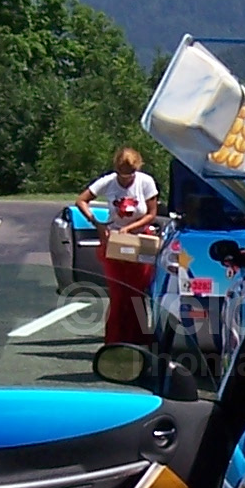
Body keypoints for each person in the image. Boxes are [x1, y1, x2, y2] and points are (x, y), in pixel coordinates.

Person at [76, 145, 160, 346]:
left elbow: (151, 213)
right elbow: (81, 200)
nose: (126, 179)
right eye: (122, 175)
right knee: (119, 294)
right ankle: (115, 339)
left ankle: (139, 338)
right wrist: (96, 222)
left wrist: (131, 227)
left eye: (130, 174)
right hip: (114, 242)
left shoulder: (146, 182)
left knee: (137, 292)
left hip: (139, 241)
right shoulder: (108, 182)